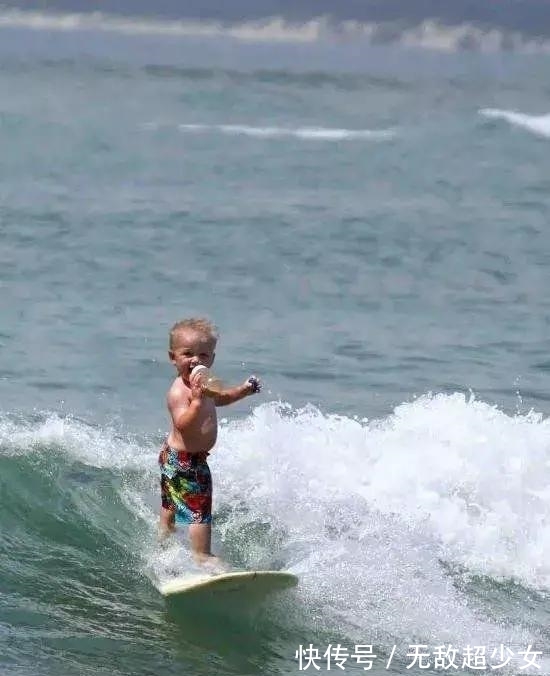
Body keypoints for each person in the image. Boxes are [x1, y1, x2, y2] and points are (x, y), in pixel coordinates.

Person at [158, 317, 261, 568]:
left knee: (172, 501)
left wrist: (244, 390)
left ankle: (164, 537)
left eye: (203, 355)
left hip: (177, 457)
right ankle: (202, 555)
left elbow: (222, 399)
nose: (195, 360)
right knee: (199, 509)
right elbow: (183, 423)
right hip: (186, 461)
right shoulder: (179, 392)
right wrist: (195, 401)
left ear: (211, 359)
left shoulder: (204, 386)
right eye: (187, 354)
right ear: (173, 358)